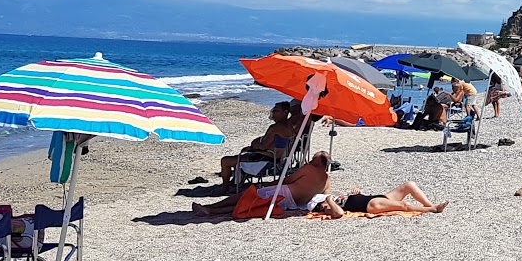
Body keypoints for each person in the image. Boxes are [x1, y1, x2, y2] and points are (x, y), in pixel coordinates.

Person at [192, 152, 331, 218]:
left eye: (314, 158)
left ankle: (211, 208)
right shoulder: (327, 179)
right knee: (251, 205)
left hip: (284, 193)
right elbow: (323, 197)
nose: (311, 160)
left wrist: (269, 184)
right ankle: (211, 210)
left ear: (320, 162)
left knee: (246, 196)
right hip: (294, 203)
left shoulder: (309, 169)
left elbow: (287, 180)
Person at [218, 101, 299, 186]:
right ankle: (235, 182)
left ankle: (225, 187)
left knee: (225, 161)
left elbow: (263, 146)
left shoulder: (276, 127)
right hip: (278, 159)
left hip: (267, 158)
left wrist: (253, 146)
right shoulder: (290, 126)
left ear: (285, 112)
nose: (273, 113)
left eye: (276, 111)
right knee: (241, 155)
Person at [310, 182, 448, 218]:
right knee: (403, 205)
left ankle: (430, 205)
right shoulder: (327, 206)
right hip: (371, 204)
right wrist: (328, 200)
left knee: (409, 185)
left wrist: (357, 193)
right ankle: (433, 209)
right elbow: (339, 213)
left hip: (376, 197)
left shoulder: (333, 201)